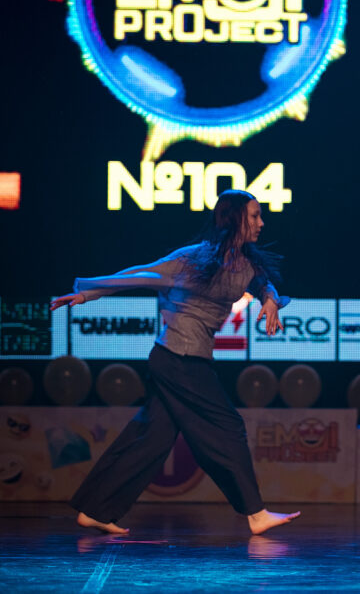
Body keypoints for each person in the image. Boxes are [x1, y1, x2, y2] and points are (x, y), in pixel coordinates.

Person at [50, 190, 300, 535]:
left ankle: (96, 510)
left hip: (188, 360)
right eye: (255, 216)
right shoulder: (192, 260)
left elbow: (262, 283)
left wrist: (270, 300)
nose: (262, 223)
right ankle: (255, 514)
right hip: (178, 360)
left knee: (151, 437)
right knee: (227, 426)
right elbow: (141, 274)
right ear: (235, 219)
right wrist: (87, 293)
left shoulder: (246, 264)